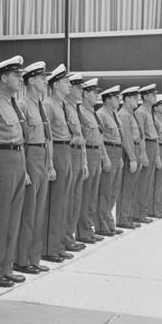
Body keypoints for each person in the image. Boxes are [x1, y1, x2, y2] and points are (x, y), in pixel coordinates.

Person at [0, 56, 28, 288]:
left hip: (17, 160)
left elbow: (20, 137)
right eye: (16, 75)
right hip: (2, 160)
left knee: (13, 219)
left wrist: (24, 169)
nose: (20, 79)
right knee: (0, 219)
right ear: (3, 78)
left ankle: (6, 267)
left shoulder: (12, 103)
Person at [14, 62, 56, 274]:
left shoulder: (39, 105)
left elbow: (47, 137)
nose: (45, 81)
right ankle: (22, 259)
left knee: (39, 212)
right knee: (28, 212)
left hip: (42, 155)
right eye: (42, 78)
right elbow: (20, 140)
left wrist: (50, 164)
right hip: (30, 155)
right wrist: (24, 170)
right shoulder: (22, 105)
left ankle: (34, 257)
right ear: (31, 81)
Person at [42, 64, 75, 262]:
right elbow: (47, 137)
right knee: (54, 203)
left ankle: (59, 244)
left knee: (63, 202)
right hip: (56, 152)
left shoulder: (63, 105)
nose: (69, 85)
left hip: (66, 150)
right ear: (55, 85)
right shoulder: (49, 105)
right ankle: (50, 248)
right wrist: (50, 163)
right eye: (66, 82)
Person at [77, 79, 109, 243]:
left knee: (93, 195)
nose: (97, 95)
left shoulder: (93, 113)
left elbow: (100, 137)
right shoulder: (80, 112)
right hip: (88, 153)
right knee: (86, 194)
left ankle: (89, 228)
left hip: (96, 153)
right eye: (94, 92)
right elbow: (81, 137)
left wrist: (104, 156)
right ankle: (82, 231)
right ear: (85, 93)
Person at [63, 73, 88, 252]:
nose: (81, 91)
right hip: (70, 154)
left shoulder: (74, 109)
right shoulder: (64, 107)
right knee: (68, 199)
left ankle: (69, 236)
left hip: (79, 155)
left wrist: (84, 162)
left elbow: (82, 137)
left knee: (76, 199)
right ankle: (64, 238)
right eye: (78, 88)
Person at [96, 85, 124, 236]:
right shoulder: (100, 114)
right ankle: (101, 225)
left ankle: (109, 222)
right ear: (107, 99)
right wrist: (104, 157)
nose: (118, 100)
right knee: (105, 191)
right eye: (116, 98)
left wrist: (120, 157)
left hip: (117, 152)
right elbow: (99, 138)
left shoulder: (114, 115)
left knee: (114, 191)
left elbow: (119, 136)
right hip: (108, 151)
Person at [133, 84, 161, 224]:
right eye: (152, 95)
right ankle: (138, 214)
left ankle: (143, 212)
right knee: (143, 183)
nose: (155, 97)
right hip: (146, 146)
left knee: (148, 183)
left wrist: (157, 155)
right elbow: (141, 135)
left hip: (153, 145)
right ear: (145, 97)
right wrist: (143, 154)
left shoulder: (149, 112)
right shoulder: (141, 112)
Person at [116, 86, 142, 229]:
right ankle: (123, 218)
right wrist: (132, 158)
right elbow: (126, 139)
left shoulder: (131, 114)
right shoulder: (124, 115)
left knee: (132, 187)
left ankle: (128, 216)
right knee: (126, 187)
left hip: (136, 148)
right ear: (126, 99)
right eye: (134, 98)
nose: (137, 100)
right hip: (129, 152)